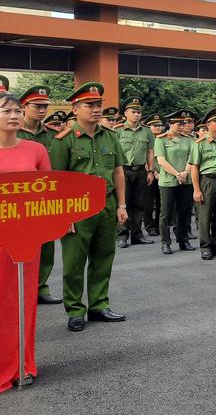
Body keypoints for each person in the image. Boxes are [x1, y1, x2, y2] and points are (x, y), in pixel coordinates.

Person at [48, 82, 129, 331]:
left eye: (98, 105)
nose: (96, 110)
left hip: (106, 203)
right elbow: (56, 180)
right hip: (77, 206)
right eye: (89, 105)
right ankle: (75, 310)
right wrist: (63, 214)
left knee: (104, 257)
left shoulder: (110, 136)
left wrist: (121, 205)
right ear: (75, 108)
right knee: (74, 261)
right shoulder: (64, 140)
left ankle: (98, 305)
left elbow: (117, 171)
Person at [0, 91, 51, 389]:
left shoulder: (36, 150)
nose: (14, 115)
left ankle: (22, 364)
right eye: (6, 111)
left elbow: (51, 192)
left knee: (21, 302)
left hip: (26, 238)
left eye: (17, 110)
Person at [15, 85, 62, 305]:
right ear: (24, 107)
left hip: (44, 199)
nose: (42, 110)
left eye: (45, 106)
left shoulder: (53, 134)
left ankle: (40, 288)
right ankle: (17, 289)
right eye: (37, 106)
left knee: (45, 245)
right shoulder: (11, 131)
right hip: (17, 199)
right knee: (15, 245)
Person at [114, 97, 156, 249]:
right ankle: (122, 235)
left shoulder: (146, 131)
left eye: (139, 112)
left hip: (140, 170)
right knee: (123, 203)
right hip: (123, 170)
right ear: (126, 113)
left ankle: (137, 234)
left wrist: (150, 170)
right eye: (133, 112)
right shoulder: (117, 131)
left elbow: (150, 151)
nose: (137, 114)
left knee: (139, 204)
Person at [189, 108, 216, 260]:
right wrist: (196, 190)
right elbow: (194, 167)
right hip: (208, 181)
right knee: (205, 216)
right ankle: (205, 247)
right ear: (208, 124)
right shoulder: (199, 143)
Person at [155, 110, 196, 254]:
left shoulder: (188, 139)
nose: (182, 126)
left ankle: (183, 240)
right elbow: (161, 161)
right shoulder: (161, 139)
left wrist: (185, 172)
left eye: (184, 123)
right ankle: (165, 242)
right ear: (170, 124)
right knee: (166, 213)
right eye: (179, 123)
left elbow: (192, 158)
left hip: (186, 180)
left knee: (184, 212)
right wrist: (177, 174)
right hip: (168, 181)